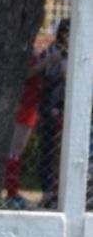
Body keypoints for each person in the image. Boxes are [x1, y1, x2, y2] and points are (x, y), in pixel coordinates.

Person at [3, 27, 68, 209]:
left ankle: (13, 192)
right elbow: (26, 73)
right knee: (15, 150)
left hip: (32, 104)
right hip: (25, 104)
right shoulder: (22, 50)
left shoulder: (30, 49)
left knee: (18, 151)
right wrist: (48, 61)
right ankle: (12, 194)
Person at [37, 18, 70, 209]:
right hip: (52, 107)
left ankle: (61, 189)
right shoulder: (52, 53)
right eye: (66, 33)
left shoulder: (78, 53)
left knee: (63, 152)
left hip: (67, 109)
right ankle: (48, 190)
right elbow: (46, 74)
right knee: (49, 150)